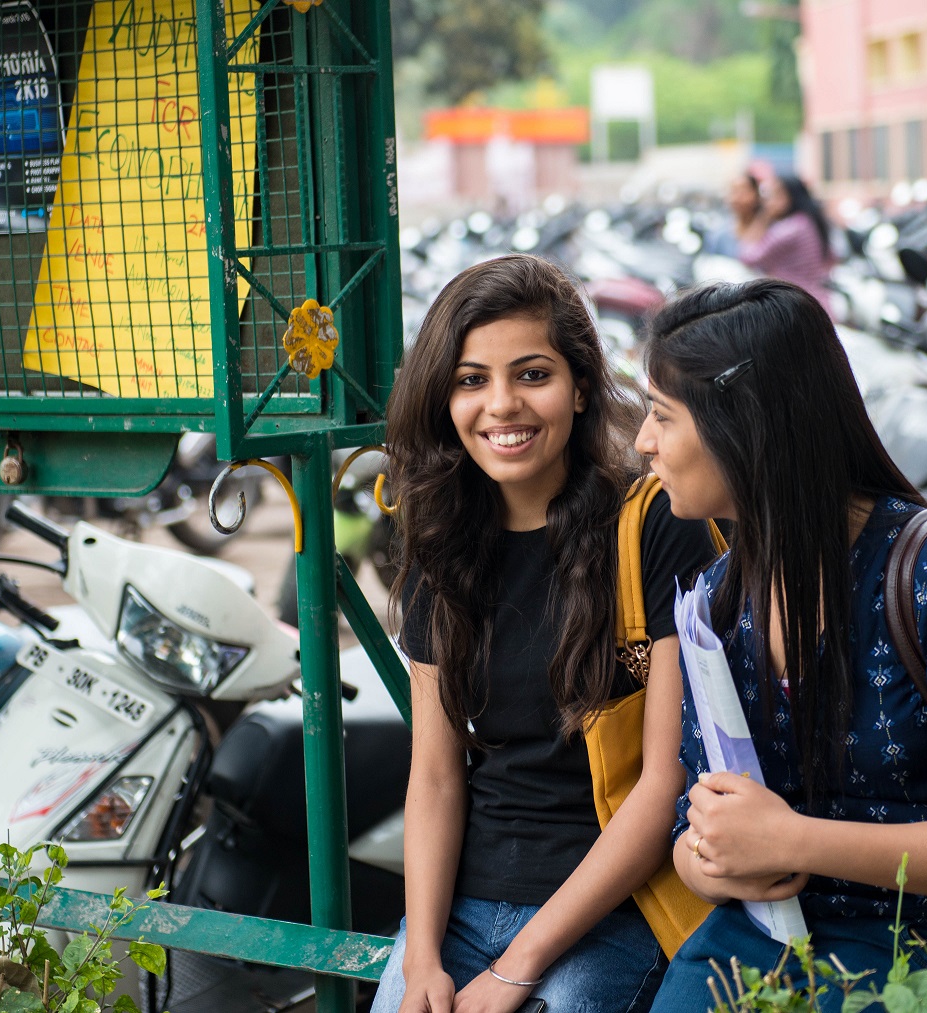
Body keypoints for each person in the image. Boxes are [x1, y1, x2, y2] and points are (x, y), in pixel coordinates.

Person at [632, 280, 927, 1013]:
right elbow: (692, 825)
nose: (642, 441)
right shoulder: (714, 598)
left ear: (746, 427)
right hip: (756, 953)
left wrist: (793, 841)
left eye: (659, 415)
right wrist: (714, 861)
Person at [371, 254, 721, 1013]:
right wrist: (423, 956)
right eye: (471, 380)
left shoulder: (653, 525)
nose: (501, 405)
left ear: (581, 385)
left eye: (532, 374)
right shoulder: (441, 541)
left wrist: (515, 969)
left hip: (615, 906)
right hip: (465, 903)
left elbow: (663, 782)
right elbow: (434, 775)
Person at [737, 175, 834, 313]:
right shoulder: (807, 222)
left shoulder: (789, 228)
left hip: (794, 305)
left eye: (774, 195)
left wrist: (763, 217)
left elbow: (748, 257)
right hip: (815, 300)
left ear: (788, 196)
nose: (767, 201)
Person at [701, 173, 762, 258]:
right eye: (734, 191)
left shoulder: (770, 232)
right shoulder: (719, 233)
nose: (737, 198)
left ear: (756, 194)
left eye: (743, 192)